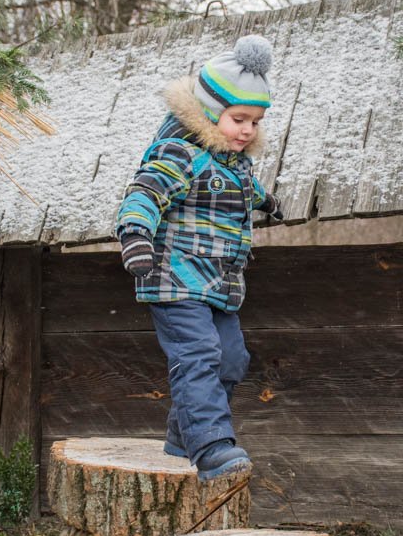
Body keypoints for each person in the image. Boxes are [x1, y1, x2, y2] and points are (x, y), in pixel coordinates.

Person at [114, 35, 283, 481]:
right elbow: (144, 192)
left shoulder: (234, 161)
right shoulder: (179, 153)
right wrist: (134, 235)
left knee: (232, 358)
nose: (247, 130)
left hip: (218, 284)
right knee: (199, 353)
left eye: (255, 121)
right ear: (210, 112)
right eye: (238, 118)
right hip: (174, 277)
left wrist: (266, 202)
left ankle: (181, 435)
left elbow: (242, 186)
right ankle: (210, 447)